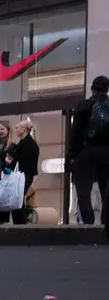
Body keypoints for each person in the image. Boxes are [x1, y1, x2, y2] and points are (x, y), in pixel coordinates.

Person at [69, 74, 109, 227]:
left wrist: (72, 155)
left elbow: (76, 132)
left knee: (83, 188)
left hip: (86, 150)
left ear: (92, 88)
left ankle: (88, 222)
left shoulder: (83, 105)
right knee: (106, 188)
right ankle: (106, 222)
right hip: (106, 152)